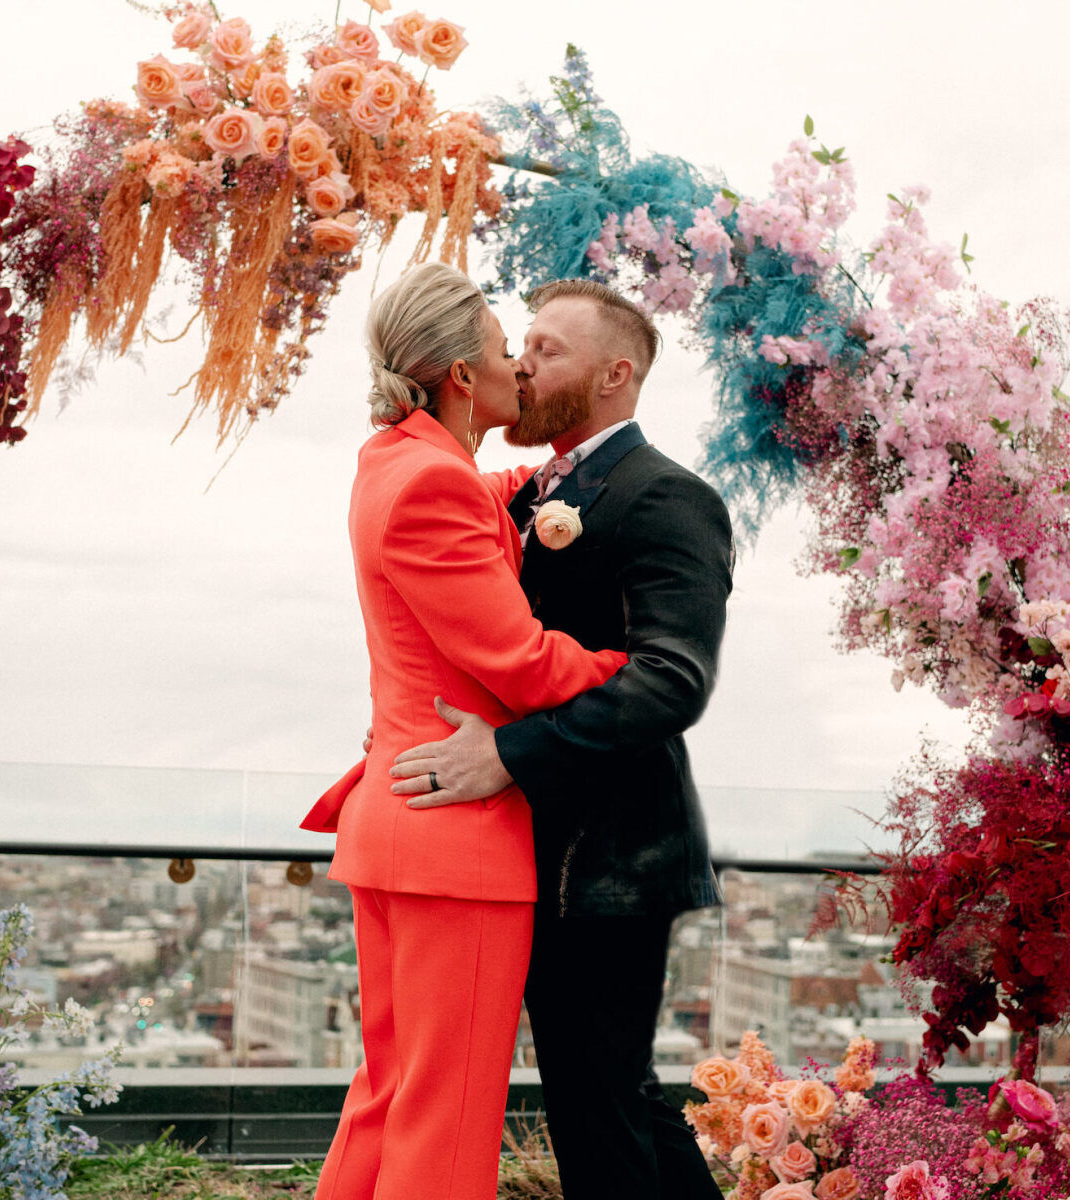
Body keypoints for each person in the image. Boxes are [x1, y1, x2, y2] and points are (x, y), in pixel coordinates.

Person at [389, 279, 733, 1200]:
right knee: (609, 1093)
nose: (520, 363)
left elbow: (673, 680)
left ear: (616, 374)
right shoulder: (536, 491)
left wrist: (505, 755)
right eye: (518, 345)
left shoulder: (667, 497)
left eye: (545, 348)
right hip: (546, 850)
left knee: (598, 1101)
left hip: (616, 854)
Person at [299, 263, 627, 1200]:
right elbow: (518, 661)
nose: (519, 371)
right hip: (455, 839)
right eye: (500, 352)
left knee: (391, 1094)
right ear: (455, 377)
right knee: (447, 1125)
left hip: (399, 825)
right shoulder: (432, 486)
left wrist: (579, 472)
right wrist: (632, 671)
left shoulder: (398, 464)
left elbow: (493, 501)